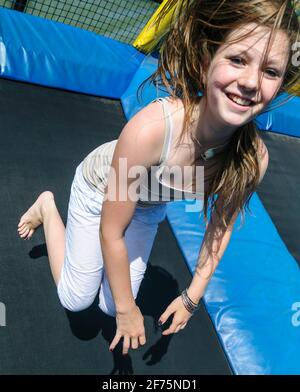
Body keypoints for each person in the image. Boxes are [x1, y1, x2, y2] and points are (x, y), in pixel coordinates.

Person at [17, 0, 299, 356]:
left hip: (149, 205)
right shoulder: (150, 131)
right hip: (100, 191)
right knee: (77, 298)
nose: (250, 83)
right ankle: (47, 206)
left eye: (271, 71)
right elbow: (110, 229)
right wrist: (127, 310)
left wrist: (192, 297)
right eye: (238, 59)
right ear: (205, 59)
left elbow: (221, 225)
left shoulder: (252, 158)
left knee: (106, 303)